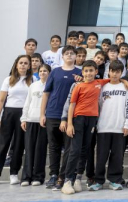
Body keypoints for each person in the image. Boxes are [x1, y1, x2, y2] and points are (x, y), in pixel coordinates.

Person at [60, 61, 108, 194]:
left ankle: (77, 179)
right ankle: (67, 181)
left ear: (96, 72)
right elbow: (71, 105)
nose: (88, 73)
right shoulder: (78, 86)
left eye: (91, 70)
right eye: (86, 71)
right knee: (75, 150)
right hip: (78, 119)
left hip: (92, 120)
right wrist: (69, 123)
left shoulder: (99, 83)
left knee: (85, 150)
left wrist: (125, 81)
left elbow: (113, 79)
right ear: (82, 72)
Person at [40, 46, 82, 191]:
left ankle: (63, 176)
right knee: (53, 147)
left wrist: (81, 81)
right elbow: (46, 93)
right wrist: (42, 114)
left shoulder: (80, 73)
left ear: (76, 56)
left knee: (69, 148)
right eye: (66, 53)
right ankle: (53, 174)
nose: (69, 55)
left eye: (72, 53)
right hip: (53, 113)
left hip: (71, 116)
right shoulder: (55, 72)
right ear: (62, 56)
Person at [0, 55, 32, 186]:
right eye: (21, 63)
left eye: (25, 63)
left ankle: (14, 173)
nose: (23, 65)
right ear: (16, 65)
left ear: (29, 66)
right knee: (2, 144)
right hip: (8, 113)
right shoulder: (8, 80)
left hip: (24, 114)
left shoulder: (32, 80)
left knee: (19, 145)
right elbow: (1, 100)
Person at [89, 60, 128, 191]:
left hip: (120, 127)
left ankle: (114, 180)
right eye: (112, 71)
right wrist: (96, 123)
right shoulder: (103, 87)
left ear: (121, 73)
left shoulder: (125, 87)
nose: (114, 74)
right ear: (109, 72)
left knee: (117, 157)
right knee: (101, 156)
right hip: (103, 127)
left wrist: (127, 124)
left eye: (118, 72)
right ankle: (98, 180)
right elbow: (97, 105)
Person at [20, 63, 50, 186]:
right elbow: (27, 102)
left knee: (40, 150)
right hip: (31, 120)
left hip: (43, 122)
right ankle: (26, 177)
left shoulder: (51, 85)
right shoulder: (33, 85)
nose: (42, 73)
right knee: (29, 149)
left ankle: (38, 177)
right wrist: (24, 118)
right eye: (41, 71)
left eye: (45, 71)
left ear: (49, 73)